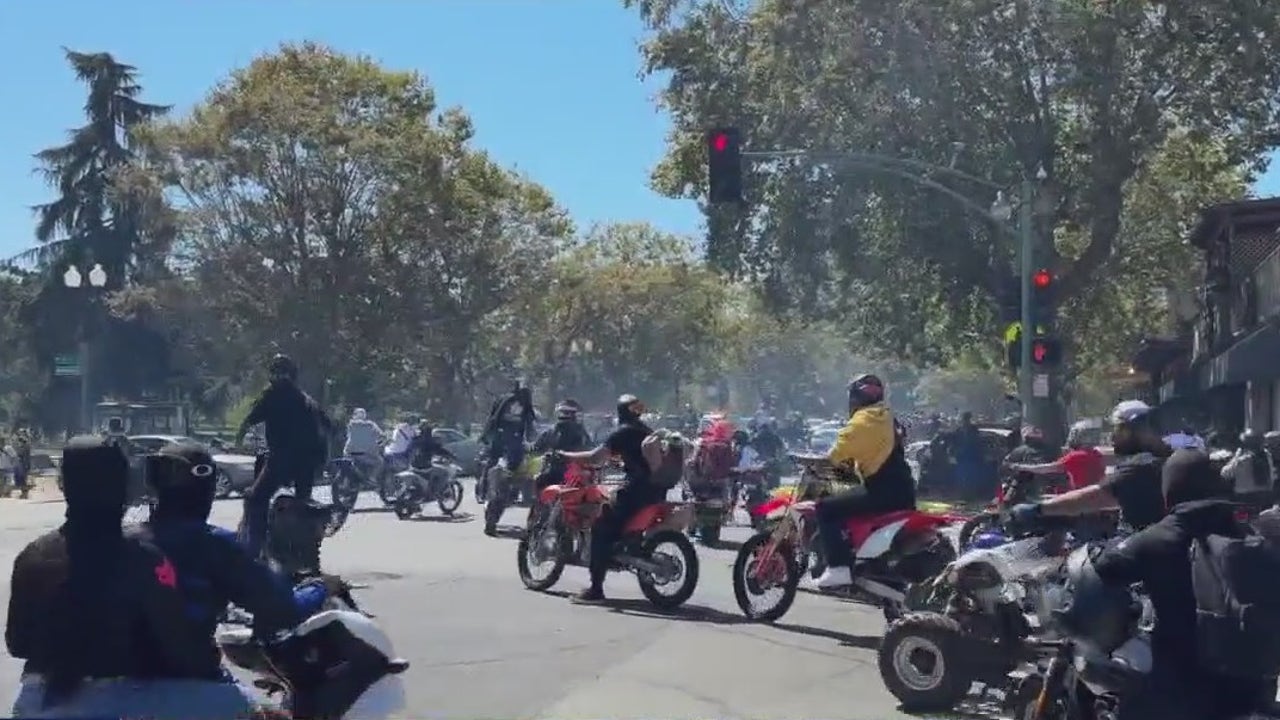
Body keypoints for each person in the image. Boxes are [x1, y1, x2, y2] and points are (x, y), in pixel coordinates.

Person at [8, 436, 242, 719]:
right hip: (121, 701)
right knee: (243, 705)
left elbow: (17, 643)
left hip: (39, 700)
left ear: (65, 485)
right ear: (124, 488)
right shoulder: (147, 559)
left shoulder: (32, 557)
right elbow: (180, 644)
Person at [139, 439, 336, 686]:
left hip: (104, 694)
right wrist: (321, 587)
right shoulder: (214, 545)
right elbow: (284, 610)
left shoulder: (121, 541)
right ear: (206, 488)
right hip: (189, 686)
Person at [1087, 449, 1265, 720]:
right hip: (1250, 686)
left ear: (1169, 491)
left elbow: (1105, 568)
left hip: (1180, 689)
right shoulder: (1249, 530)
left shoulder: (1163, 535)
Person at [556, 394, 666, 604]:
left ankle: (595, 590)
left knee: (600, 526)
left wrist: (567, 455)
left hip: (636, 491)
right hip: (654, 491)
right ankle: (624, 546)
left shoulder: (623, 432)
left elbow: (596, 457)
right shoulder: (646, 431)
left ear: (620, 411)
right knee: (615, 516)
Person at [813, 374, 917, 589]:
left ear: (854, 398)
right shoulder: (886, 417)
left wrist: (816, 462)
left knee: (825, 508)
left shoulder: (863, 420)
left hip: (882, 491)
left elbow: (837, 453)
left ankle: (838, 568)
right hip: (904, 490)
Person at [1011, 400, 1171, 532]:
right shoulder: (1160, 457)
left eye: (1117, 428)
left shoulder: (1142, 464)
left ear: (1133, 428)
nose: (1112, 436)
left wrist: (1038, 509)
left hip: (1107, 526)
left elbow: (1095, 496)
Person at [236, 353, 332, 559]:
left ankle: (251, 553)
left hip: (281, 460)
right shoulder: (307, 399)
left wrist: (238, 442)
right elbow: (330, 426)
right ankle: (307, 548)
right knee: (304, 501)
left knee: (254, 498)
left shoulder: (272, 395)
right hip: (310, 464)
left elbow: (248, 422)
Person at [1008, 421, 1106, 493]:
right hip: (1094, 496)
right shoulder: (1097, 454)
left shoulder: (1076, 456)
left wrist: (1020, 467)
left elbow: (1047, 469)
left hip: (1080, 497)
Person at [480, 382, 537, 498]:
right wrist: (486, 435)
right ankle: (484, 490)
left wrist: (533, 440)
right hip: (502, 435)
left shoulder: (523, 404)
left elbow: (530, 423)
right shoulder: (506, 400)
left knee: (515, 462)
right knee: (493, 461)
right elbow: (494, 417)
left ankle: (510, 490)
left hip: (512, 437)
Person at [1222, 429, 1272, 511]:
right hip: (1265, 497)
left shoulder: (1243, 460)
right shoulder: (1267, 456)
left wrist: (1236, 457)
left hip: (1245, 498)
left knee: (1241, 520)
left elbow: (1226, 473)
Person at [344, 408, 385, 495]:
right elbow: (381, 435)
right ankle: (372, 478)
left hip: (349, 453)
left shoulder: (351, 424)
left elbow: (348, 435)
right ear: (365, 416)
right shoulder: (371, 425)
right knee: (380, 462)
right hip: (365, 454)